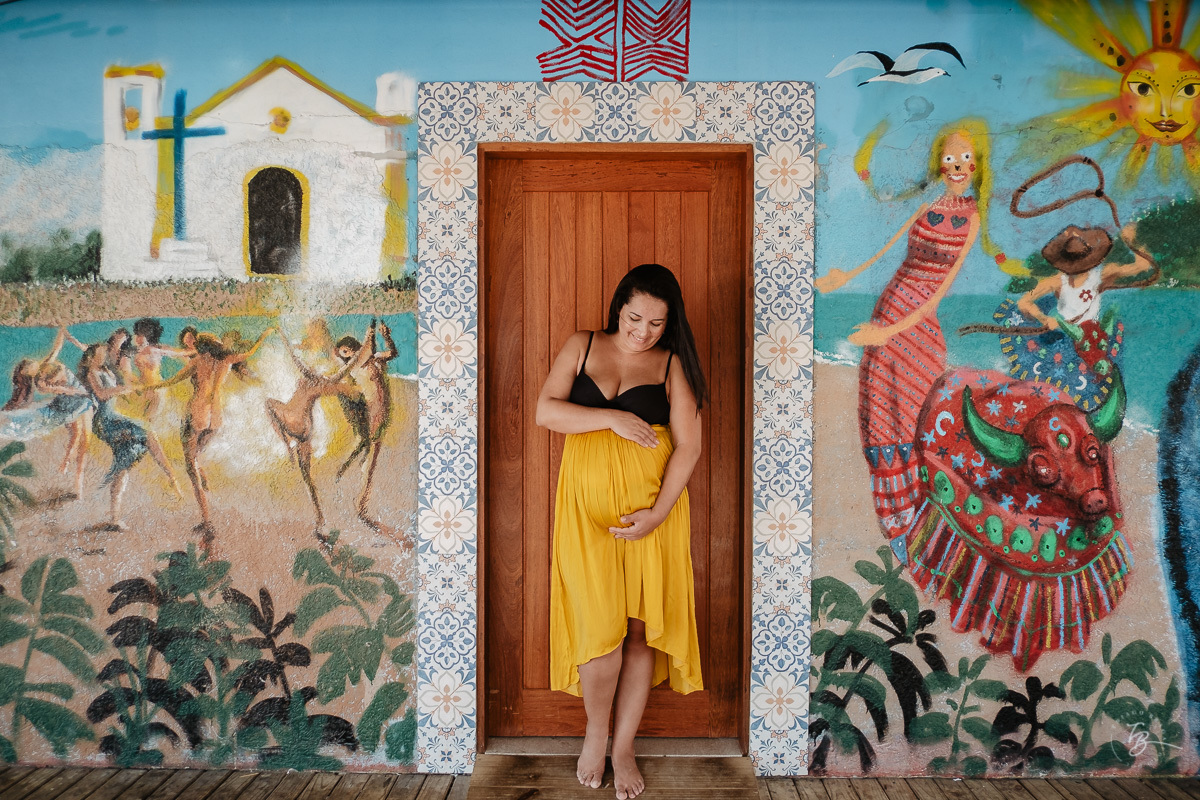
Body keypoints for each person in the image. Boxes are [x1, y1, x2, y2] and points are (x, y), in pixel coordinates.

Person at [536, 264, 707, 800]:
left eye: (657, 323)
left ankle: (623, 746)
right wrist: (609, 419)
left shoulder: (672, 363)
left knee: (637, 628)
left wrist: (657, 513)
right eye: (635, 318)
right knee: (598, 626)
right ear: (619, 309)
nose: (643, 331)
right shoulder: (583, 345)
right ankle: (595, 730)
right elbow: (546, 411)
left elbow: (690, 447)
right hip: (584, 513)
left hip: (650, 514)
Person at [816, 119, 1005, 542]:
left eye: (966, 158)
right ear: (940, 165)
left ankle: (919, 517)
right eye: (950, 158)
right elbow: (885, 250)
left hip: (917, 323)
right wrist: (844, 276)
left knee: (912, 413)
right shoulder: (928, 206)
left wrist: (891, 332)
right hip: (891, 302)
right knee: (877, 404)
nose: (957, 166)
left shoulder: (972, 219)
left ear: (977, 166)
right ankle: (893, 517)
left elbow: (938, 292)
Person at [143, 326, 275, 537]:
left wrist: (146, 388)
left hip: (197, 415)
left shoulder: (198, 361)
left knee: (191, 467)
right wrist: (264, 334)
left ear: (202, 348)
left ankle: (206, 520)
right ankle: (207, 489)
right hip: (215, 419)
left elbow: (172, 380)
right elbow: (250, 352)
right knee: (196, 458)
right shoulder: (226, 361)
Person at [264, 327, 366, 537]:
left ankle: (286, 444)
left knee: (269, 404)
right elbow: (341, 376)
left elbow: (296, 359)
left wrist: (283, 337)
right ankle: (320, 520)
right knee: (307, 475)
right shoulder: (323, 383)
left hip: (291, 419)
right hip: (305, 428)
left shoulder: (311, 378)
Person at [80, 343, 181, 530]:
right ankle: (170, 475)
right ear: (92, 357)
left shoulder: (106, 371)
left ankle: (114, 518)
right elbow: (102, 395)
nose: (104, 356)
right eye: (100, 354)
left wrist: (135, 390)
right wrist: (119, 390)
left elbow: (122, 390)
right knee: (147, 432)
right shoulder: (91, 373)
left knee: (124, 462)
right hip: (105, 422)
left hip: (114, 418)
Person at [0, 326, 93, 497]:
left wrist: (62, 330)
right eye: (31, 366)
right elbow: (62, 390)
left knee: (78, 435)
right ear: (30, 372)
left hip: (75, 402)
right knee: (75, 434)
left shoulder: (47, 365)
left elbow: (57, 348)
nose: (35, 364)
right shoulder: (40, 383)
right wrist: (80, 391)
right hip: (66, 405)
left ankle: (68, 467)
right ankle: (66, 464)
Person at [331, 320, 396, 527]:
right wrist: (371, 335)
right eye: (343, 353)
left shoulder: (373, 359)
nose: (345, 354)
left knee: (368, 451)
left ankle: (345, 473)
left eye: (346, 350)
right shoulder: (355, 365)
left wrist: (386, 336)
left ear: (353, 348)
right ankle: (361, 503)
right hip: (370, 412)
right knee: (370, 456)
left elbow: (392, 353)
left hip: (381, 412)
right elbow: (364, 349)